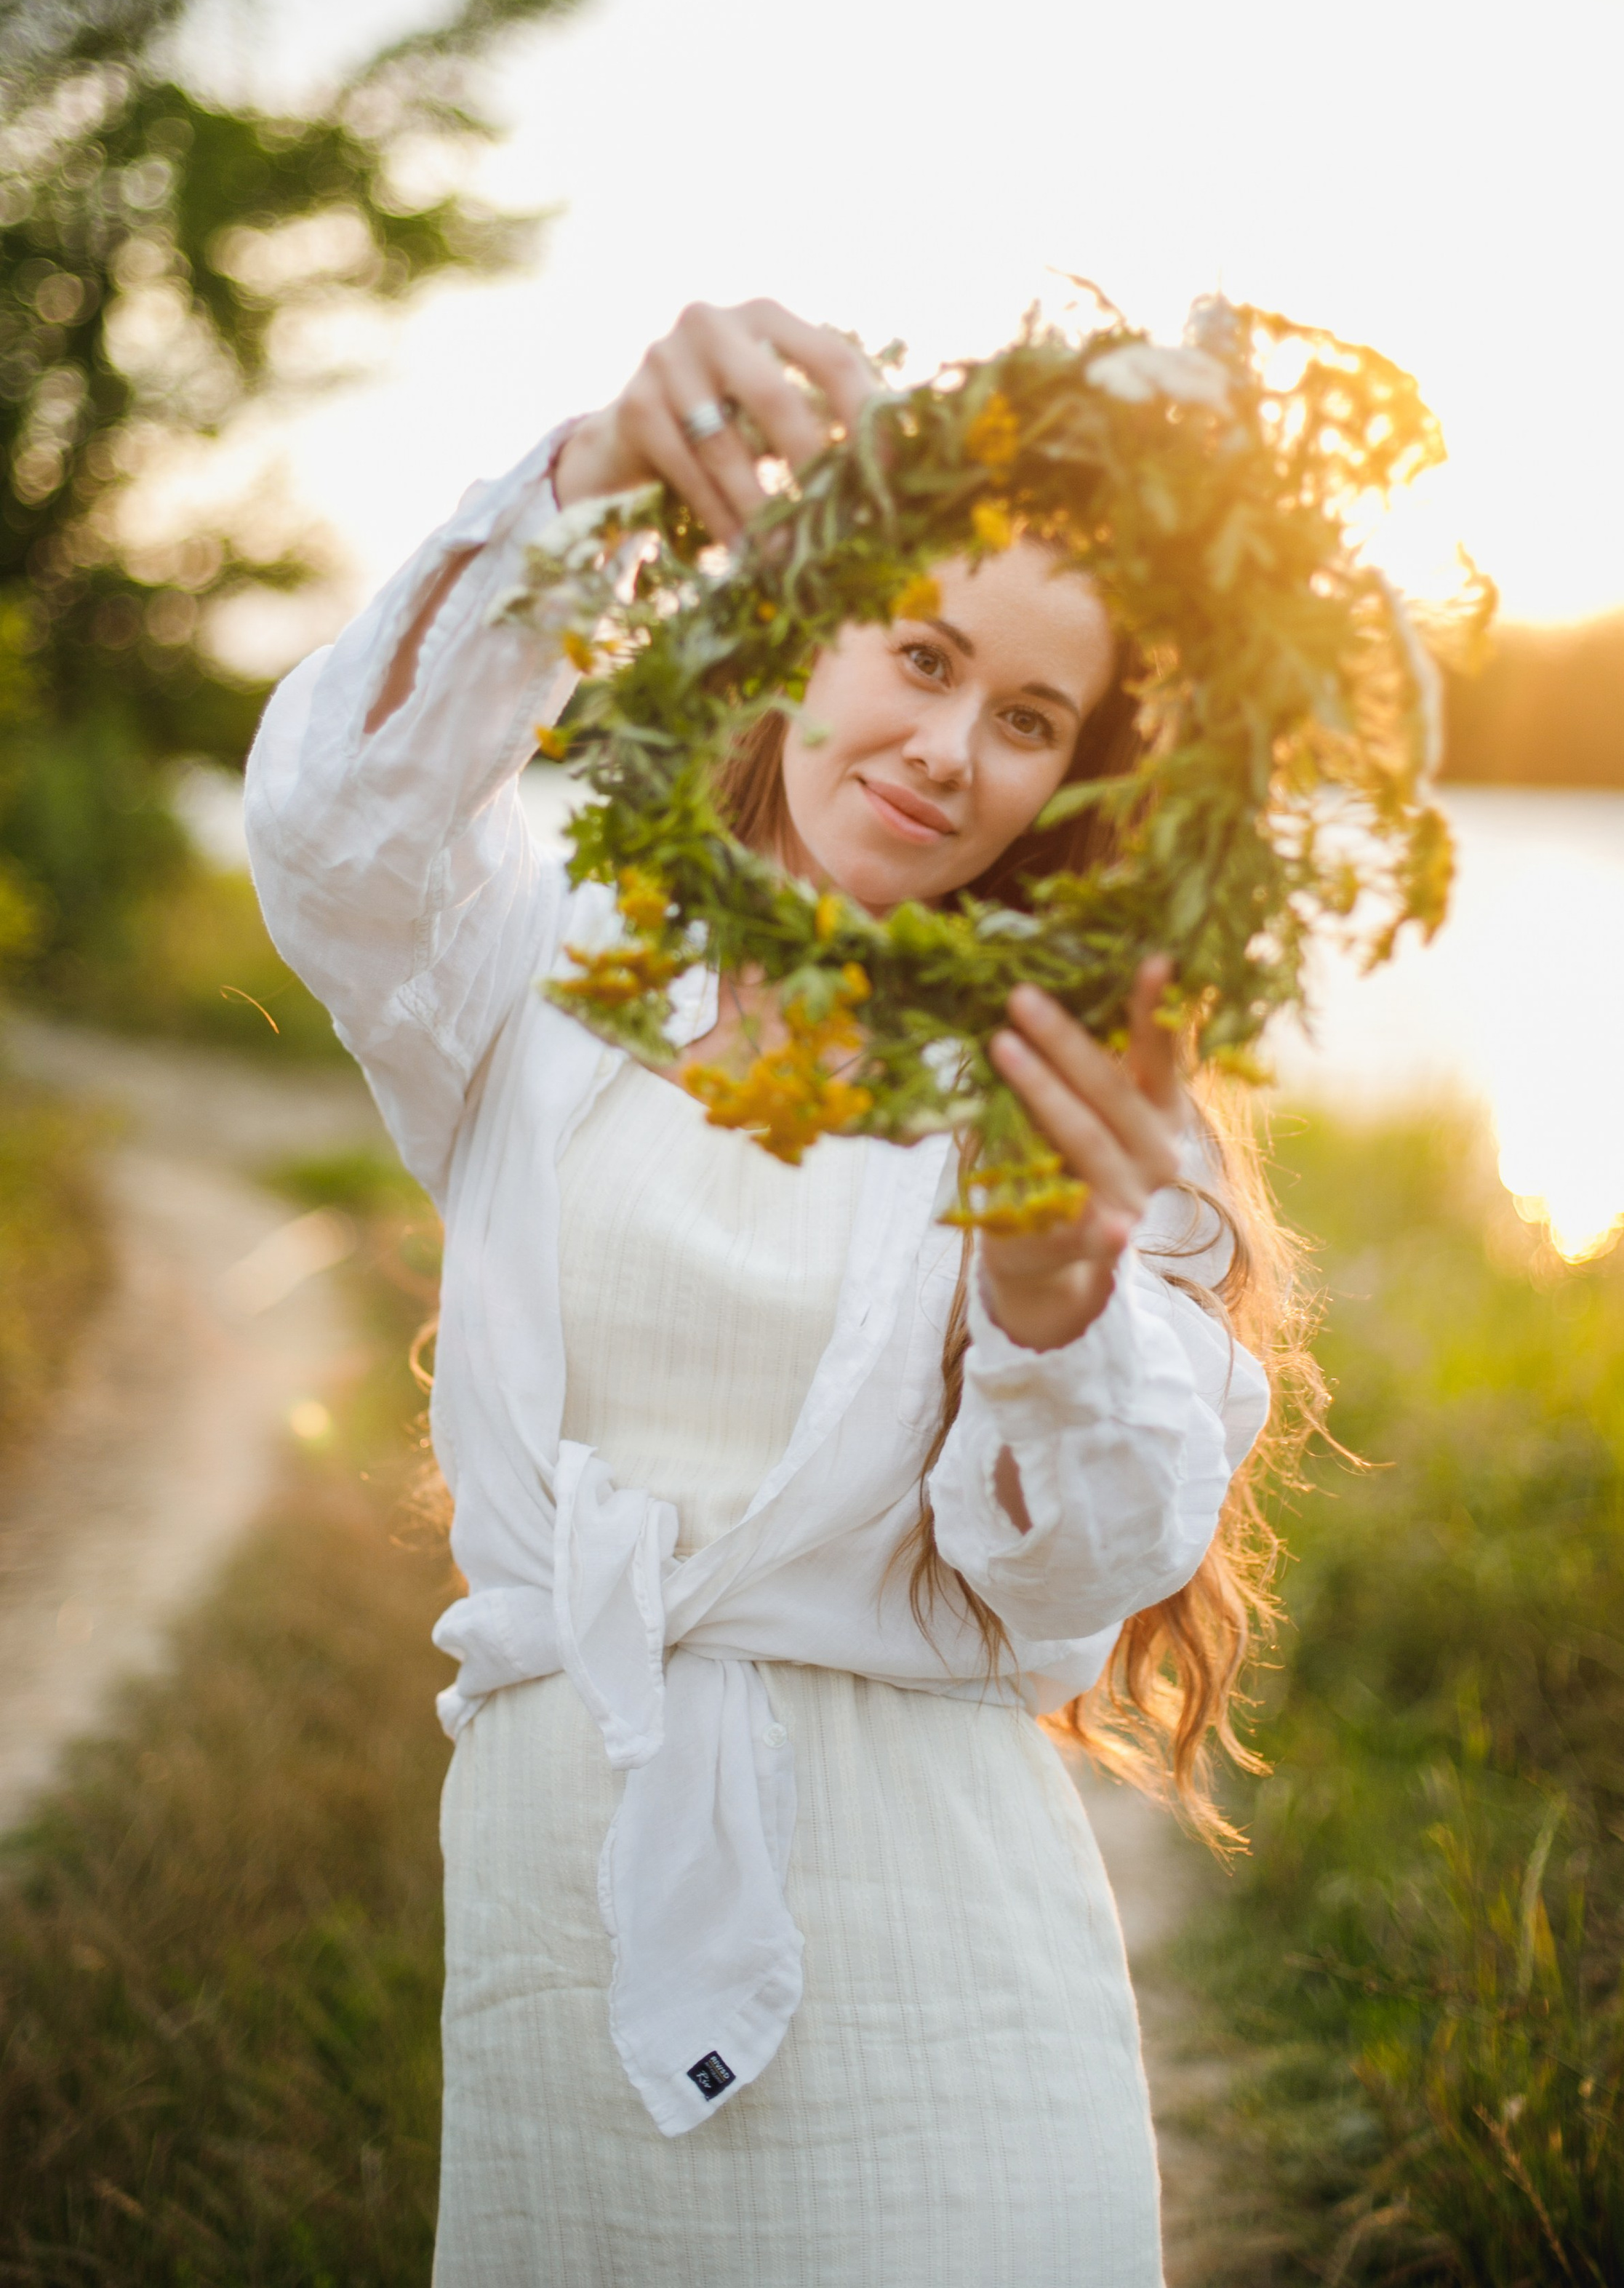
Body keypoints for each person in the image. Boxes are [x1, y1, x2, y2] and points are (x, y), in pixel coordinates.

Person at [247, 297, 1311, 2288]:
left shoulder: (1071, 1097)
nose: (944, 749)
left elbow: (1070, 1590)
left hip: (942, 1967)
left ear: (1076, 789)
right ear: (808, 622)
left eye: (1026, 719)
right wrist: (584, 487)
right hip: (561, 1909)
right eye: (921, 654)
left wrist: (1055, 1296)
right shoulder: (558, 946)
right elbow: (331, 828)